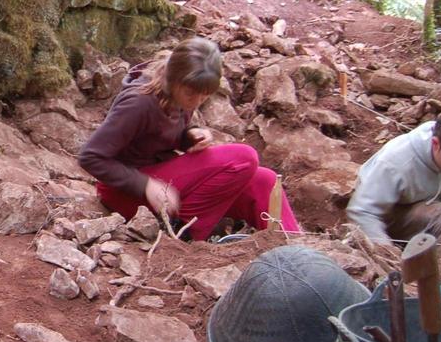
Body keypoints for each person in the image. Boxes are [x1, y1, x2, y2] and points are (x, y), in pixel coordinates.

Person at [78, 37, 301, 240]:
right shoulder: (139, 103)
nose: (196, 101)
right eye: (191, 94)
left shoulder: (179, 93)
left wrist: (188, 137)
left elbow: (154, 137)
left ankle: (294, 250)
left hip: (163, 183)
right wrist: (146, 185)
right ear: (173, 79)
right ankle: (185, 232)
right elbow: (91, 157)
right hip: (128, 192)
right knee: (244, 157)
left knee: (264, 180)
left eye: (204, 96)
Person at [347, 103, 441, 256]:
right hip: (388, 214)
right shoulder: (396, 162)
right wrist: (388, 254)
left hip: (427, 204)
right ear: (436, 144)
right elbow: (363, 211)